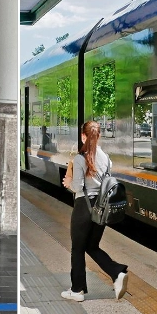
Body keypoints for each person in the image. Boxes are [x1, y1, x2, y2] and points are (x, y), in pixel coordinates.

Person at [60, 121, 129, 302]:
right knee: (91, 246)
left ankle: (77, 290)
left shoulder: (80, 158)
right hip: (100, 208)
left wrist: (67, 184)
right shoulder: (106, 158)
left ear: (83, 136)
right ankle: (116, 272)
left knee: (77, 248)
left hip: (84, 207)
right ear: (98, 136)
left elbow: (77, 187)